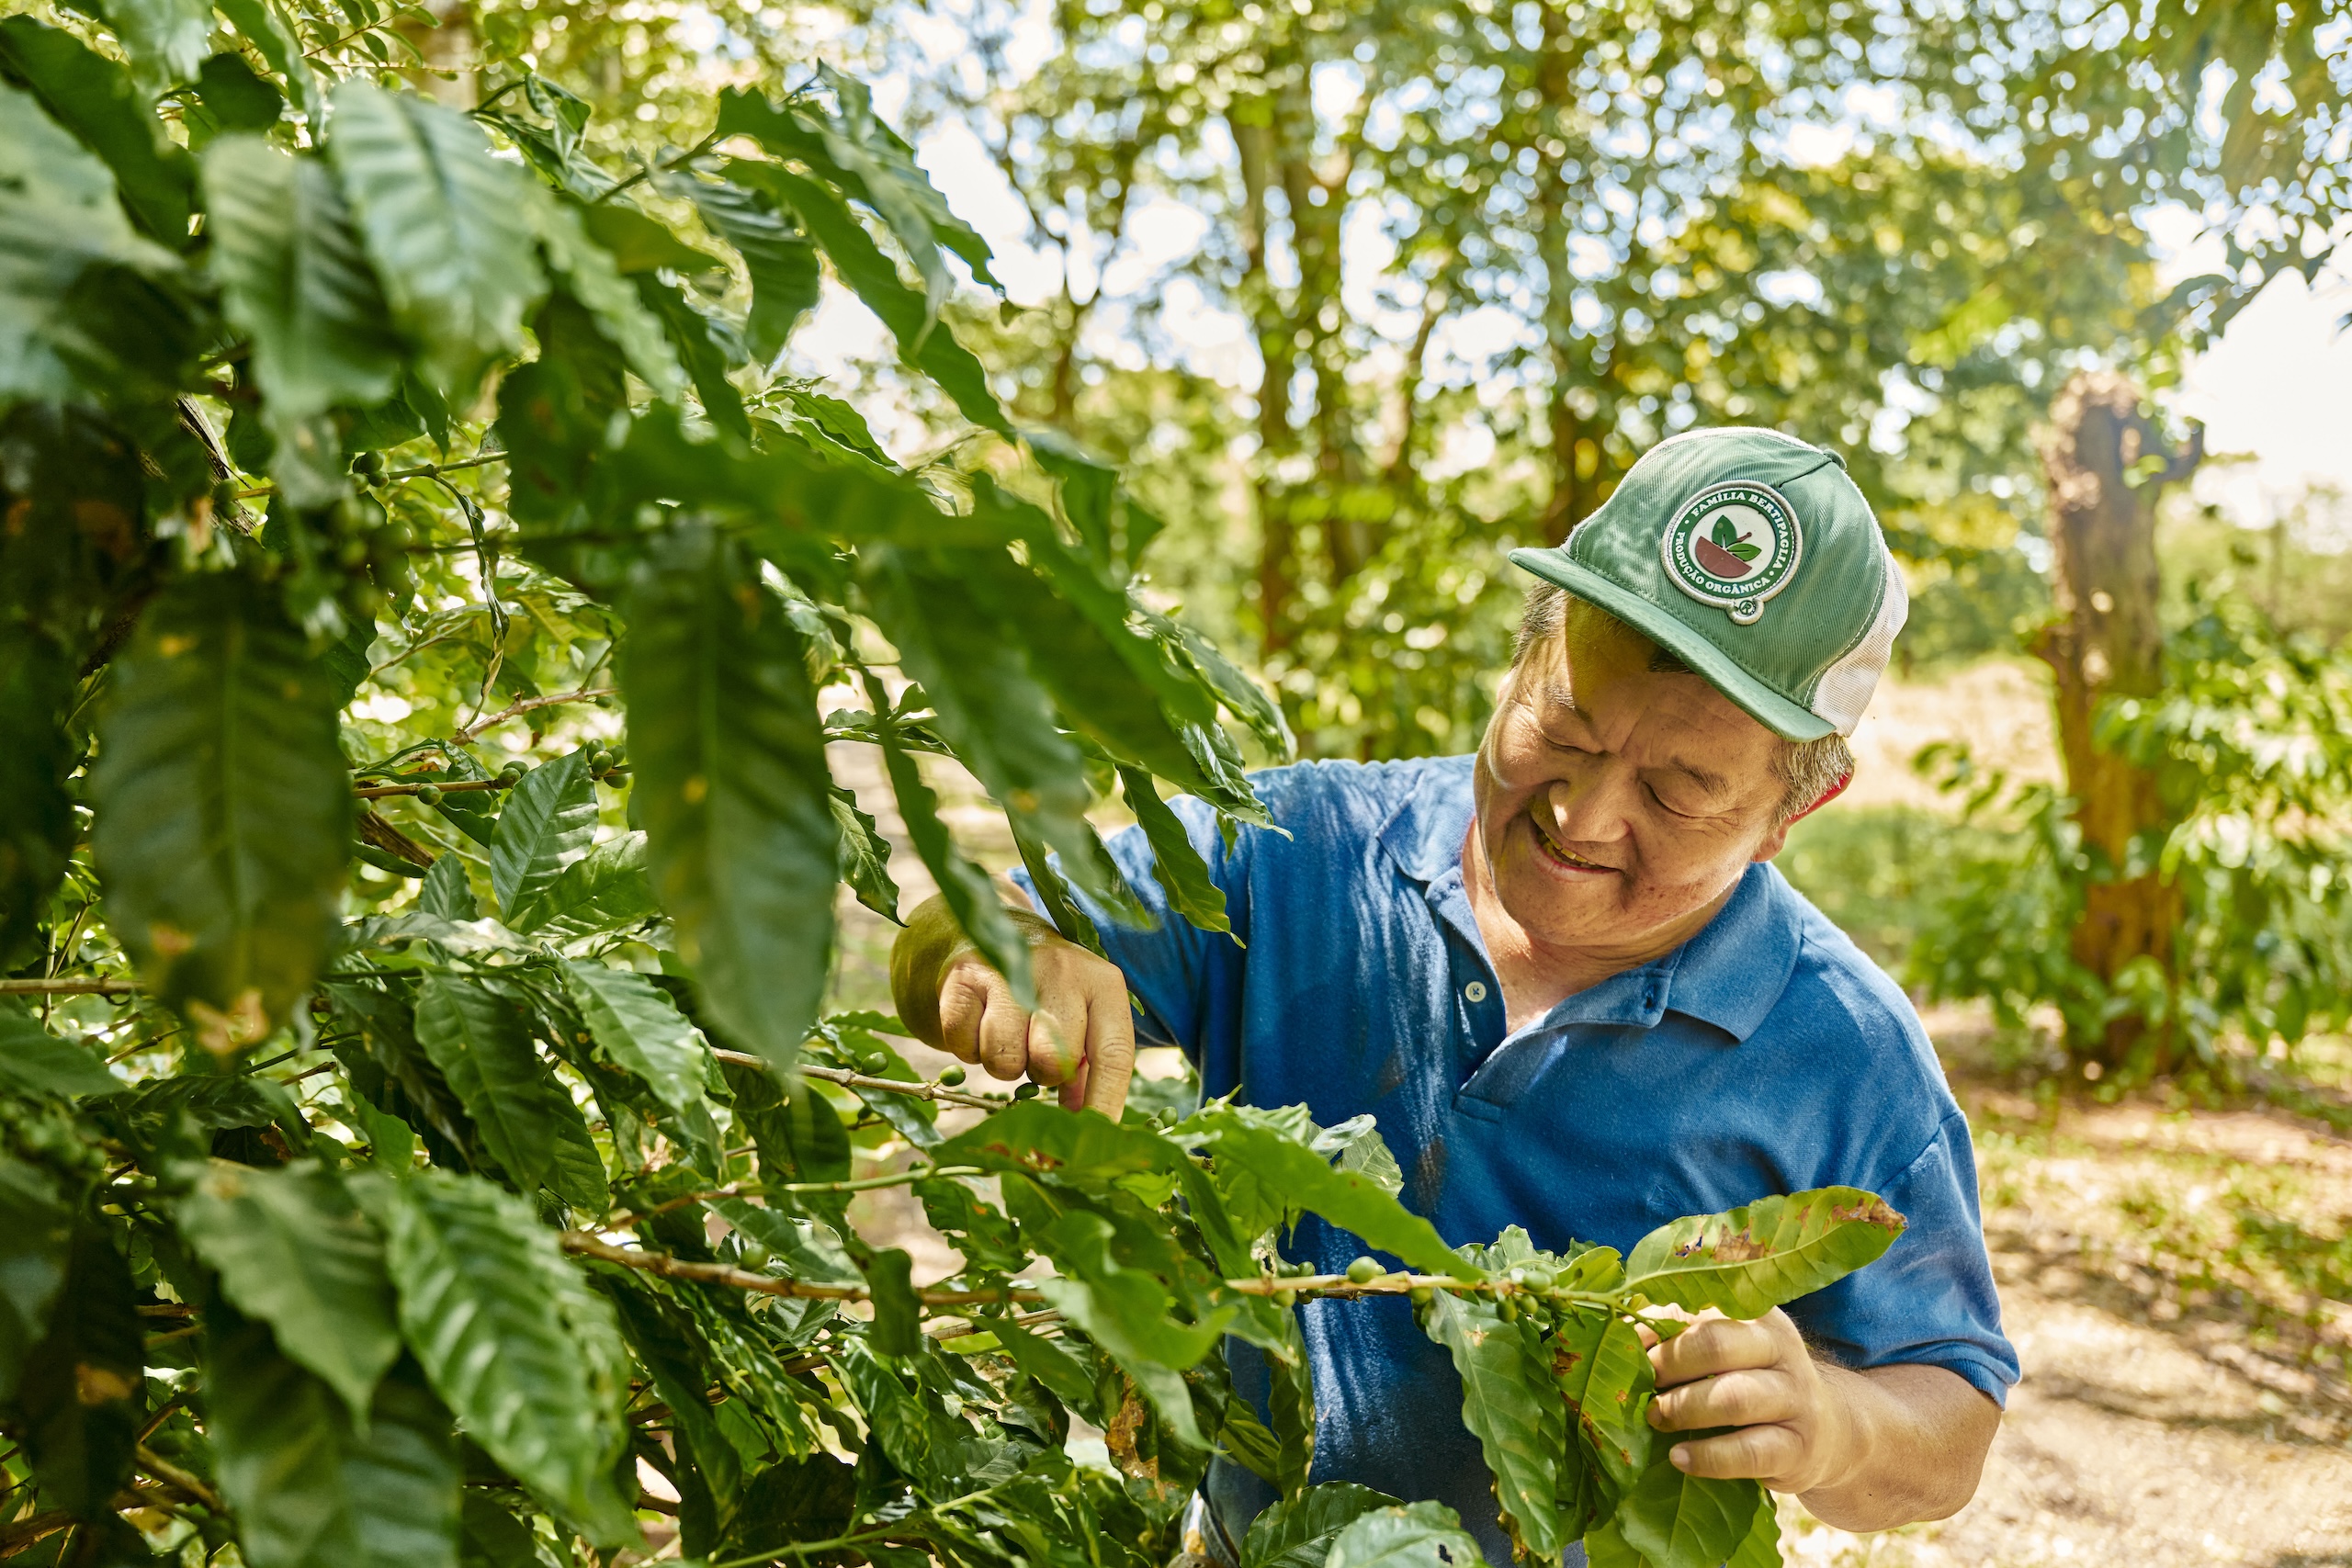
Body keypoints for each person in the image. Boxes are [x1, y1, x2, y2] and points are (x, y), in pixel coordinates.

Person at [889, 427, 2016, 1565]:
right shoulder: (1297, 850)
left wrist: (1832, 1426)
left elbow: (1950, 1420)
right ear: (1520, 662)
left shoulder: (1843, 1054)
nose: (1581, 816)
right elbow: (951, 929)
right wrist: (1002, 955)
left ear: (1790, 815)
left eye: (1677, 793)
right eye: (1560, 730)